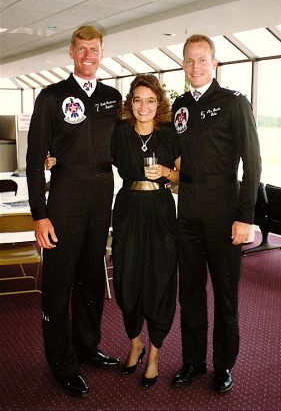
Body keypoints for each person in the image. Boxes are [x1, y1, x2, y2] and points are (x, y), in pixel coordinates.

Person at [26, 25, 122, 398]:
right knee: (58, 284)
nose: (88, 55)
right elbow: (36, 160)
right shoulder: (51, 97)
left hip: (101, 198)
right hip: (63, 200)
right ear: (71, 52)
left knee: (91, 280)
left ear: (101, 53)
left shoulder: (113, 97)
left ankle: (87, 347)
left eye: (94, 50)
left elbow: (128, 143)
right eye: (81, 49)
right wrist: (39, 213)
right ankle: (62, 363)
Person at [171, 34, 261, 393]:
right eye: (189, 61)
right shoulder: (179, 106)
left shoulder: (233, 102)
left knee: (225, 294)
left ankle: (223, 366)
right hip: (188, 212)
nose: (195, 67)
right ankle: (193, 361)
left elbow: (252, 163)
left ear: (214, 63)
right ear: (183, 65)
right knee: (190, 293)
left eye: (202, 60)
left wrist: (246, 217)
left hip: (225, 213)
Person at [111, 74, 180, 387]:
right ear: (130, 102)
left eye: (150, 100)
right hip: (128, 207)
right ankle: (135, 343)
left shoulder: (168, 134)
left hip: (161, 210)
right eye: (138, 99)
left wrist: (165, 173)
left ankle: (154, 352)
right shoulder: (119, 133)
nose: (144, 106)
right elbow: (92, 158)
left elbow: (179, 178)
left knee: (160, 278)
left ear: (159, 103)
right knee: (127, 277)